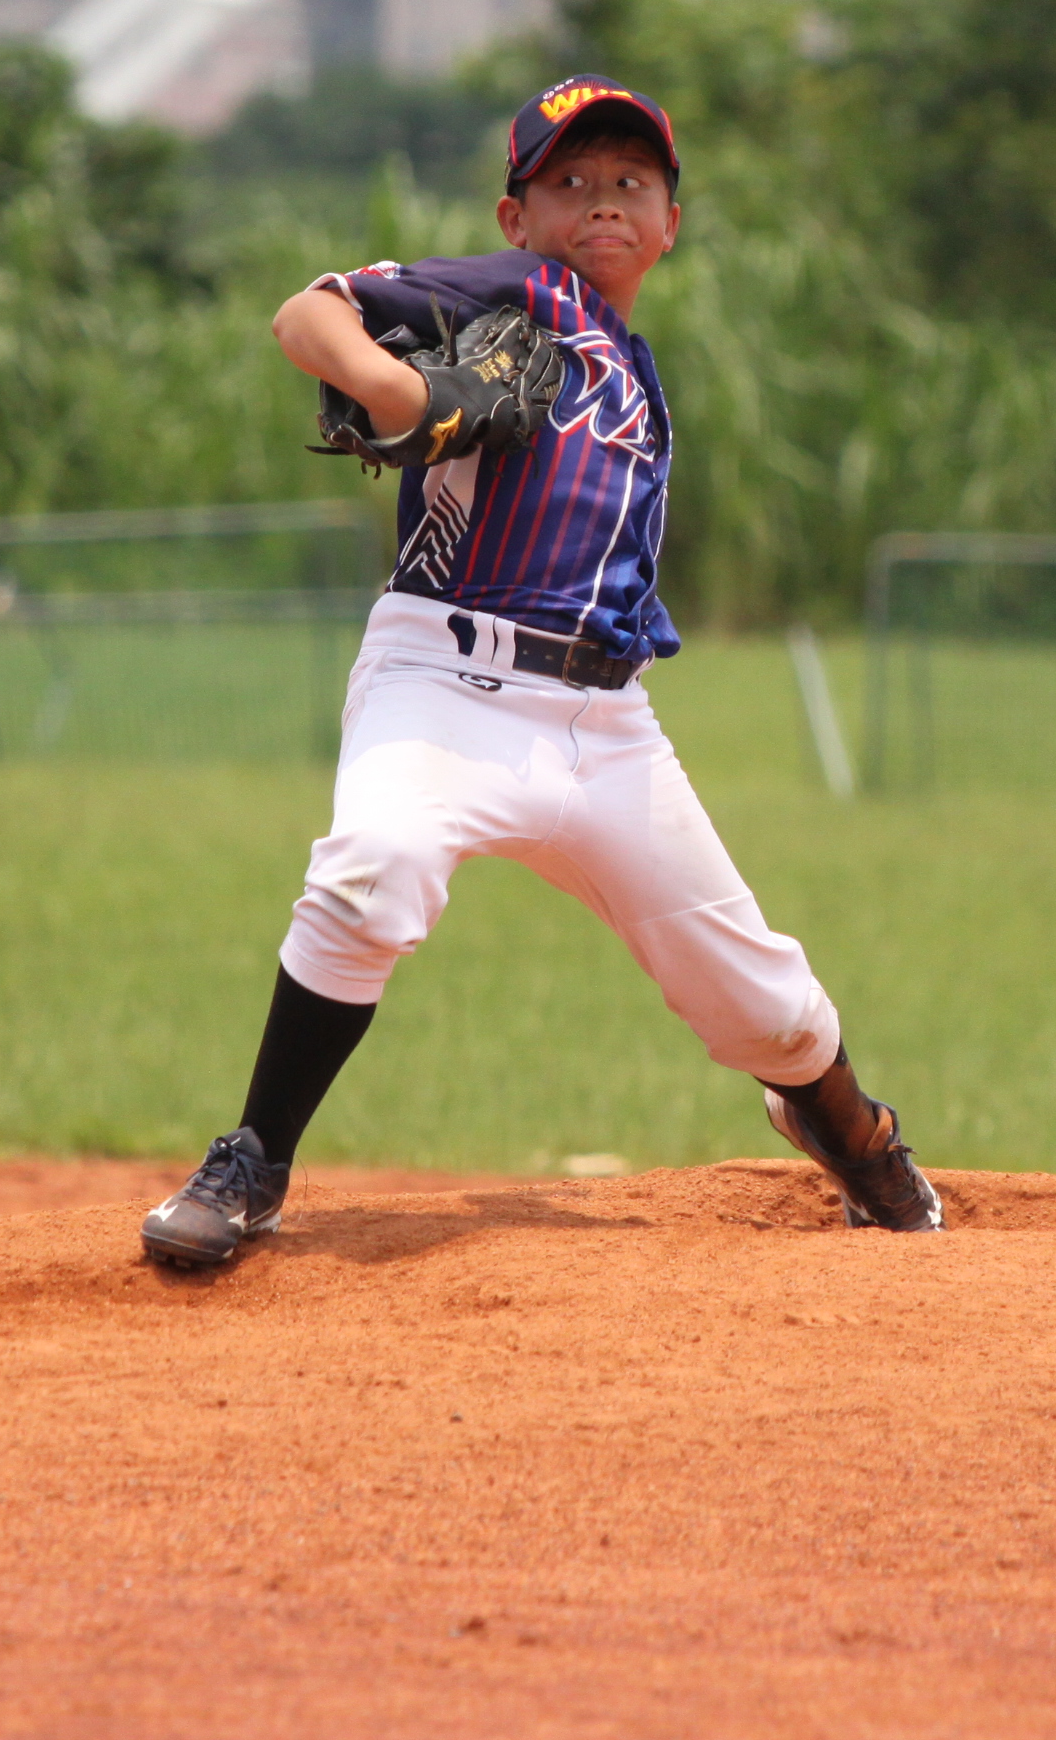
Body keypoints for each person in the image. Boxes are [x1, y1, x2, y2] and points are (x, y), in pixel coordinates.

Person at [141, 74, 942, 1266]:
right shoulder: (524, 291)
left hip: (606, 724)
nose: (602, 201)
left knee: (766, 1005)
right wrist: (398, 388)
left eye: (631, 182)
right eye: (568, 182)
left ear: (670, 223)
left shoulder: (636, 372)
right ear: (517, 218)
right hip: (445, 680)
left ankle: (860, 1143)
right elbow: (307, 316)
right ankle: (253, 1160)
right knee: (375, 865)